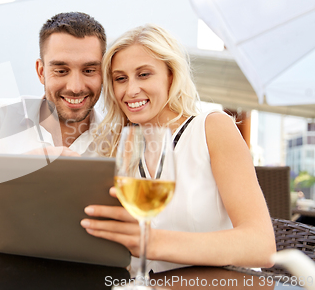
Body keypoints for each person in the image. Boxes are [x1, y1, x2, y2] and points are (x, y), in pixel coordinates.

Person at [80, 24, 276, 272]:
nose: (130, 90)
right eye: (121, 78)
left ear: (171, 76)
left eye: (144, 74)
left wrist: (152, 242)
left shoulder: (211, 128)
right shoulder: (118, 148)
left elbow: (261, 245)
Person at [0, 12, 106, 239]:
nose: (75, 86)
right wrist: (21, 167)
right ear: (41, 71)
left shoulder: (120, 138)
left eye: (89, 70)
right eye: (61, 70)